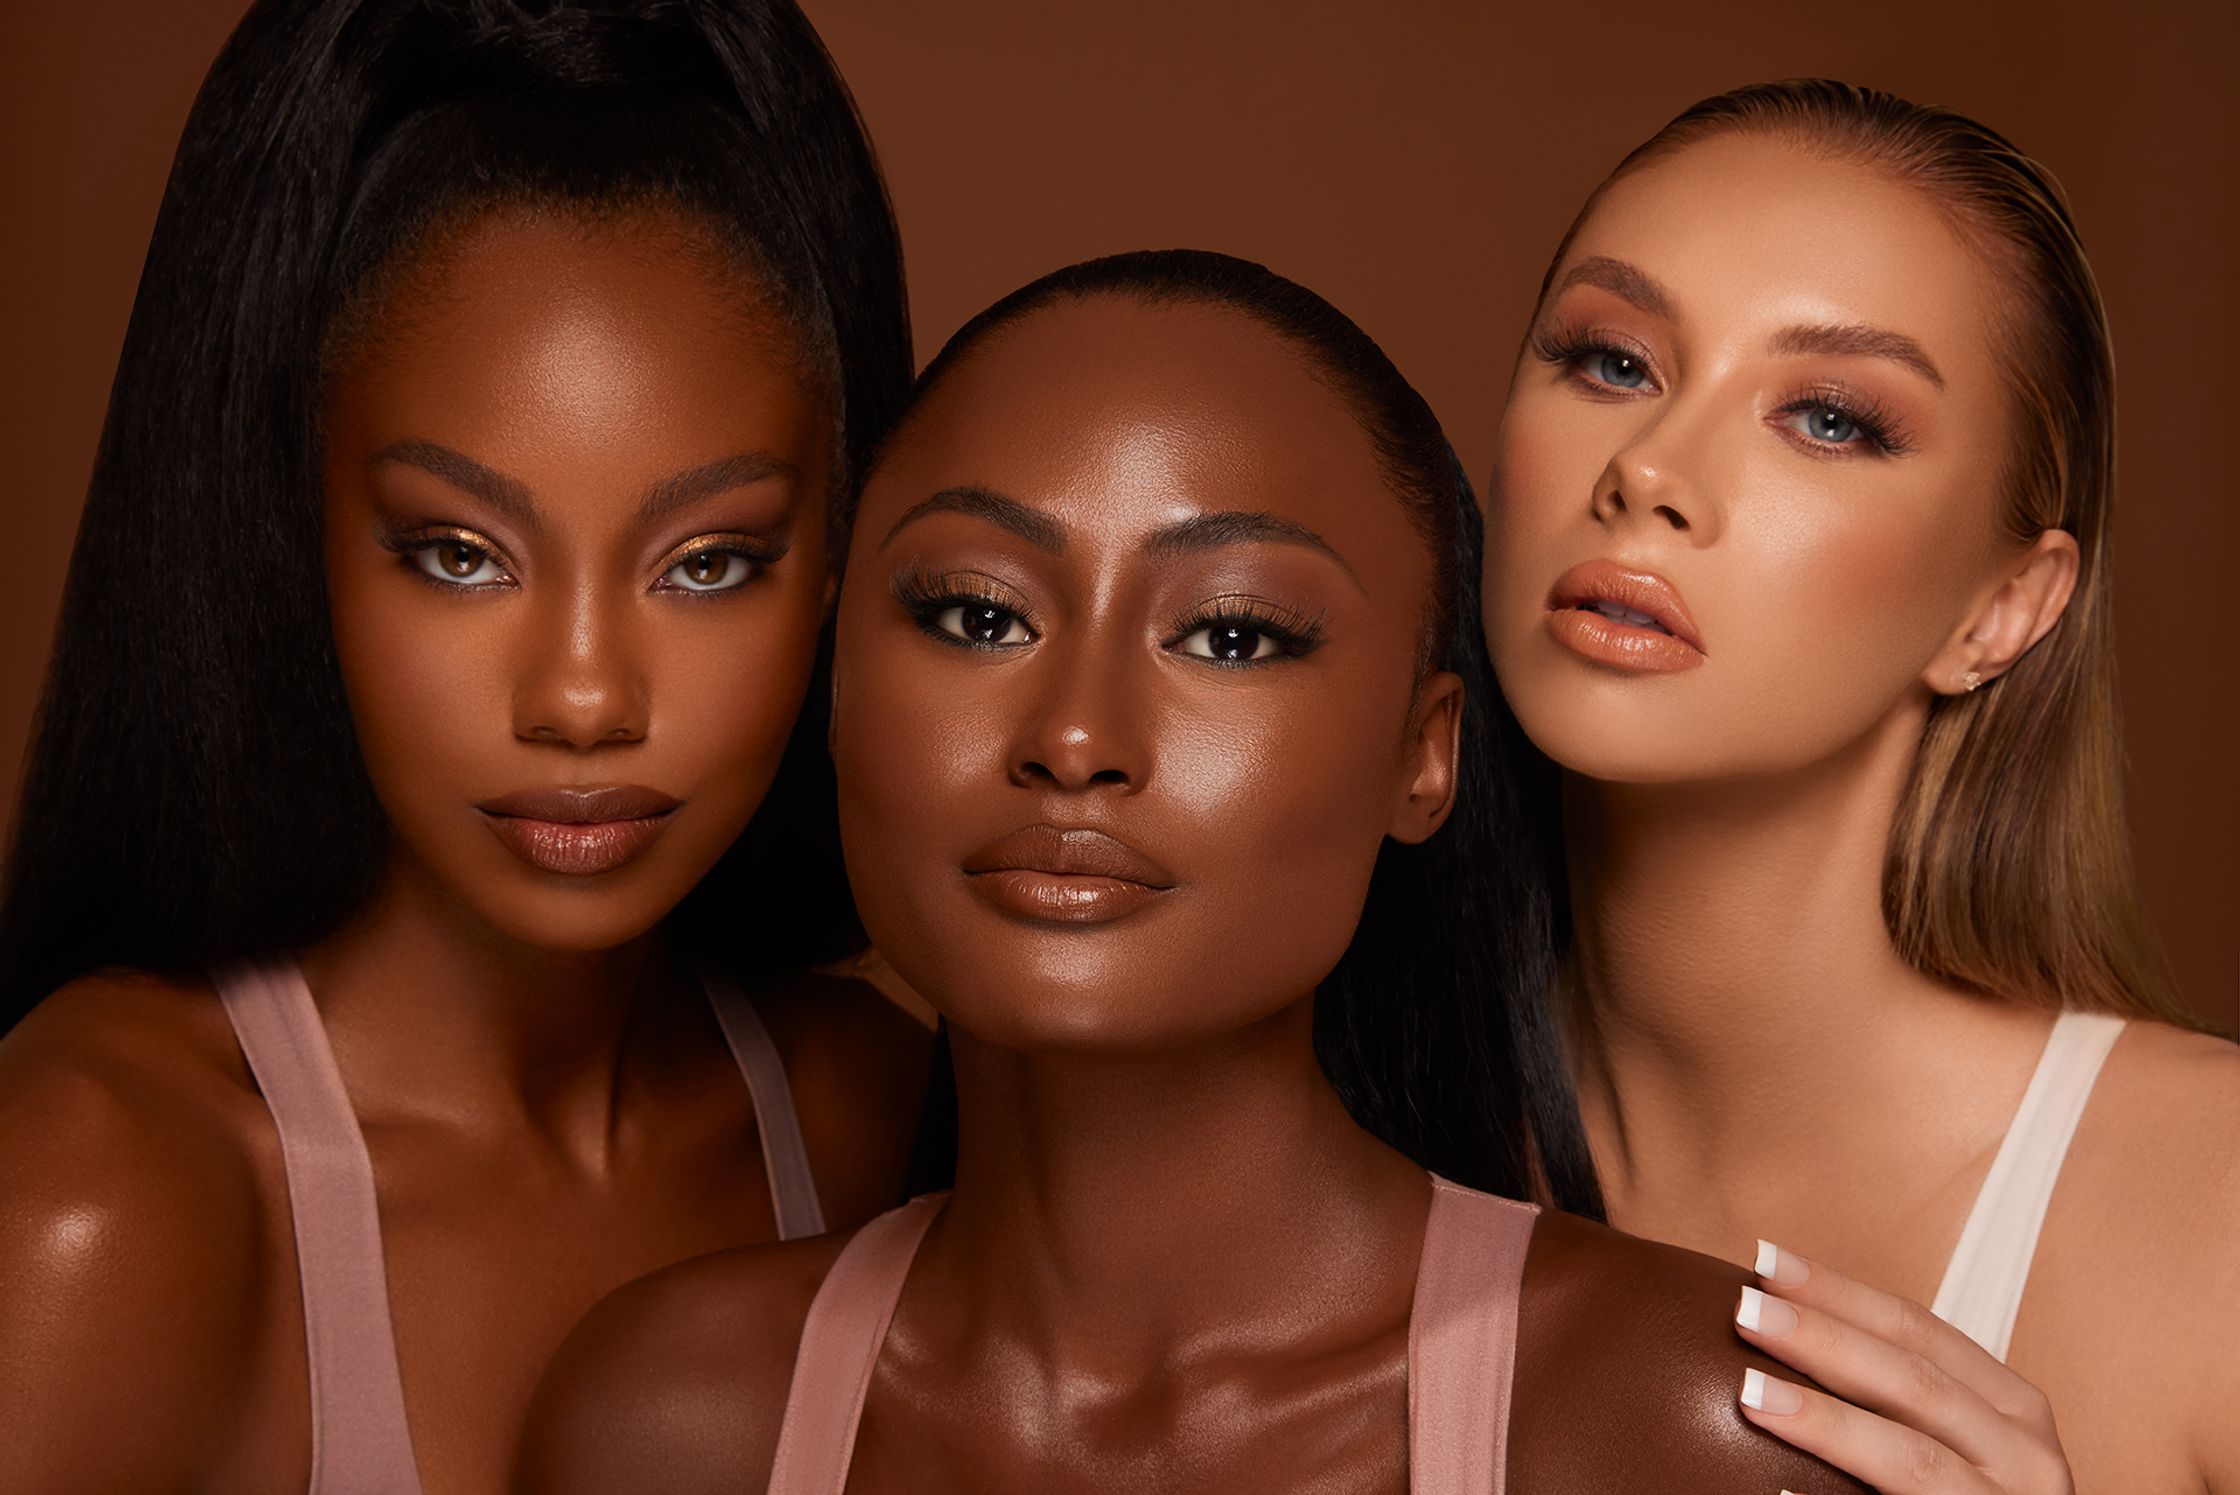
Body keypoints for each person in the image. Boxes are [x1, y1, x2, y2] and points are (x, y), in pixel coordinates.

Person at [516, 250, 1871, 1494]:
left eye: (1229, 637)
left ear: (1424, 755)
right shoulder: (670, 1425)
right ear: (839, 690)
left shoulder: (1689, 1430)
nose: (1075, 738)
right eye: (977, 616)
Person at [0, 3, 932, 1489]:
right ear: (300, 542)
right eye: (457, 554)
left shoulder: (872, 1118)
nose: (581, 698)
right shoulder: (97, 1191)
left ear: (836, 566)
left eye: (707, 563)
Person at [1482, 79, 2240, 1490]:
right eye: (1612, 361)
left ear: (2003, 609)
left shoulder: (2217, 1221)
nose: (1650, 470)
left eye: (1829, 418)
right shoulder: (1323, 1149)